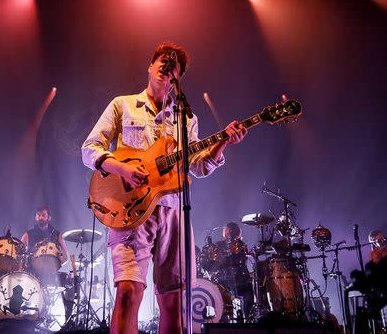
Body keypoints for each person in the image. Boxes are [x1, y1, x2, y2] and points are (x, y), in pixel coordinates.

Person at [82, 42, 248, 334]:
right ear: (150, 65)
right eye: (161, 60)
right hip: (131, 211)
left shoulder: (186, 119)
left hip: (174, 212)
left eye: (173, 67)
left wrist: (222, 142)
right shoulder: (122, 105)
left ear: (176, 78)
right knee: (127, 296)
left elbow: (196, 165)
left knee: (174, 303)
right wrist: (122, 168)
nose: (165, 66)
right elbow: (90, 148)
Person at [21, 205, 69, 284]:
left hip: (51, 276)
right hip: (31, 274)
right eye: (38, 215)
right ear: (36, 218)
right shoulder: (27, 235)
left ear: (49, 218)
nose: (40, 218)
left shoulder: (58, 235)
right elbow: (19, 255)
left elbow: (65, 258)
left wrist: (55, 266)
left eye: (43, 215)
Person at [217, 222, 254, 321]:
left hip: (241, 279)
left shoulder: (241, 245)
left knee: (249, 295)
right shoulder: (218, 245)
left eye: (227, 230)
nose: (226, 233)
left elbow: (241, 259)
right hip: (225, 281)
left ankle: (246, 318)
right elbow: (217, 263)